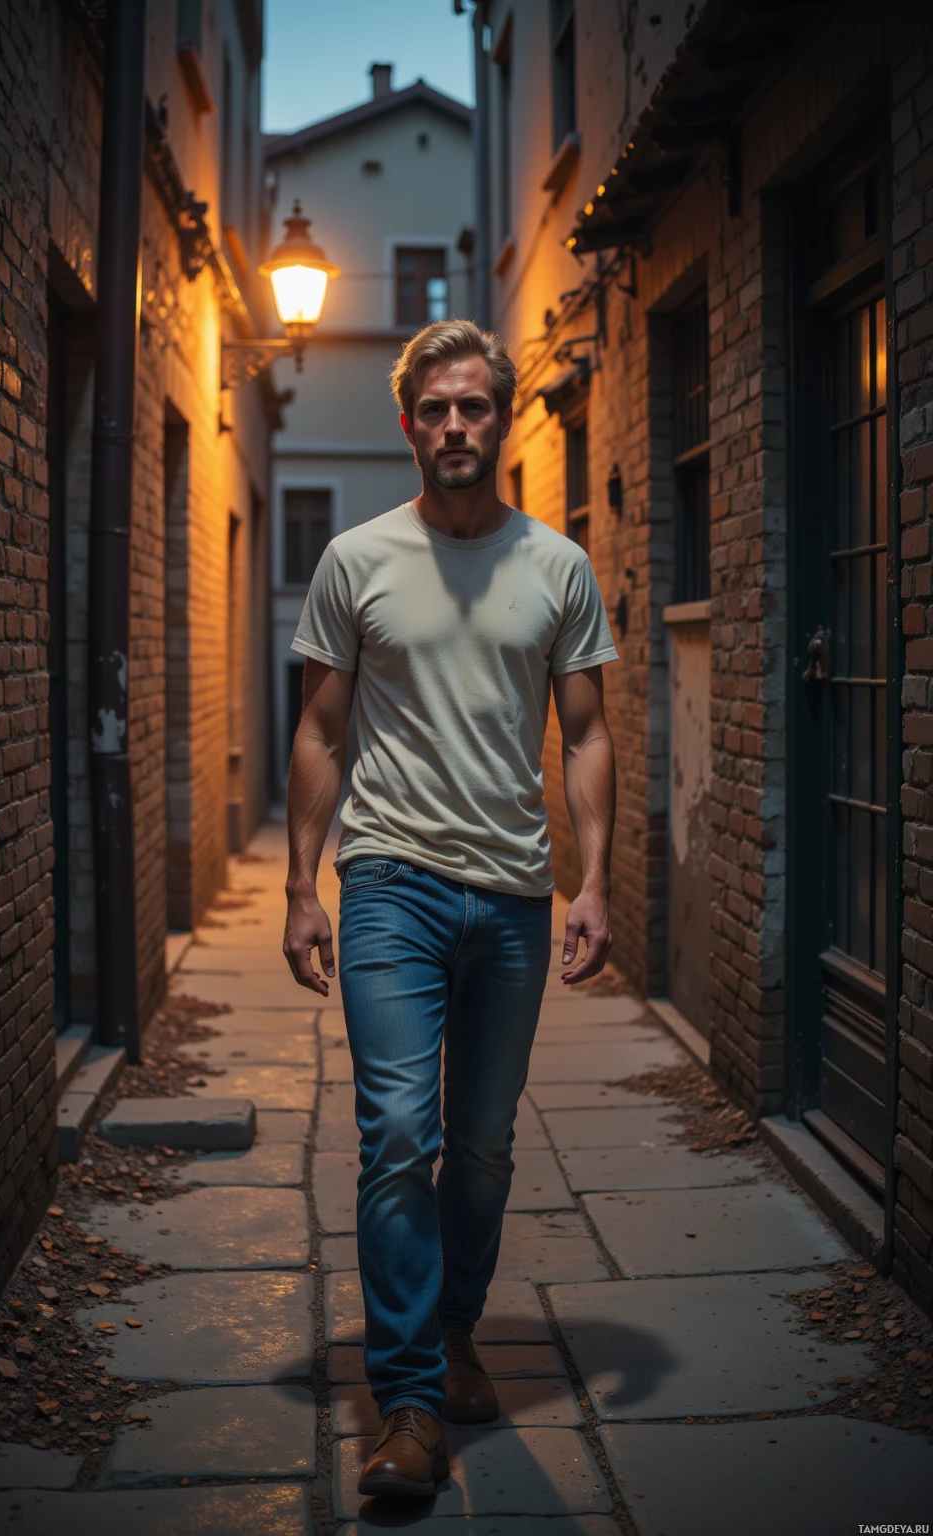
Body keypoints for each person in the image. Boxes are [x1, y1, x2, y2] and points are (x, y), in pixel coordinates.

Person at [283, 319, 617, 1500]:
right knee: (396, 1138)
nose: (454, 427)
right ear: (408, 421)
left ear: (505, 416)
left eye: (474, 407)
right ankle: (410, 1402)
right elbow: (321, 730)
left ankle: (457, 1328)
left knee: (478, 1147)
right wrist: (300, 888)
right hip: (388, 886)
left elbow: (583, 733)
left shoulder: (557, 566)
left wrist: (593, 882)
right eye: (434, 409)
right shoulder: (357, 560)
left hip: (515, 897)